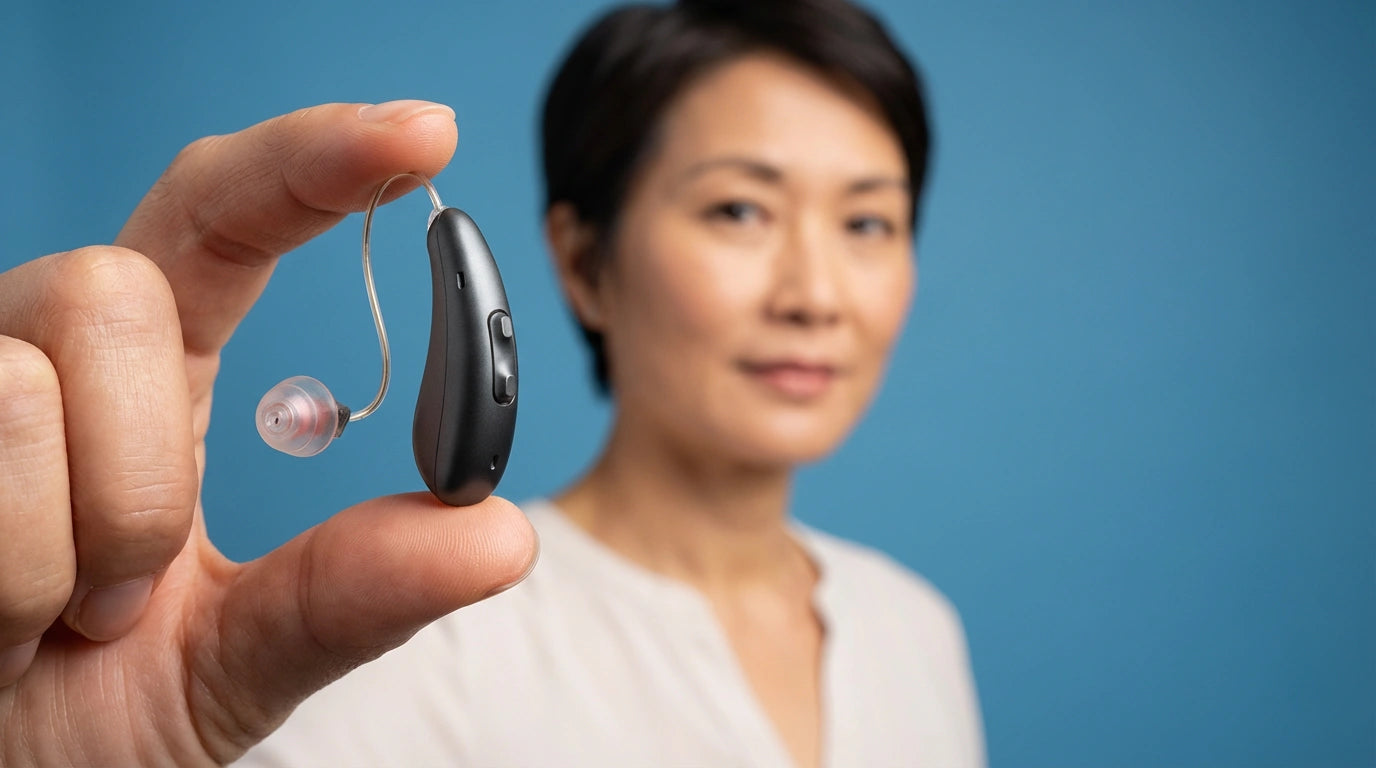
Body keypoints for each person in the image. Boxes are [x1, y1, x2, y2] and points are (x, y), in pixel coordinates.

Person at [0, 0, 982, 765]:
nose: (814, 294)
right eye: (737, 210)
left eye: (866, 223)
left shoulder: (910, 628)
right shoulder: (410, 640)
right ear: (582, 263)